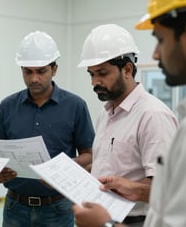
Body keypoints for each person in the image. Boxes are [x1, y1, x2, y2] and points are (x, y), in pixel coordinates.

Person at [73, 0, 186, 226]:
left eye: (160, 39)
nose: (155, 54)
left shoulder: (158, 116)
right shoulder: (105, 114)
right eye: (91, 74)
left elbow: (175, 207)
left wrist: (106, 224)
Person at [0, 30, 95, 227]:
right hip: (15, 207)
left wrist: (61, 170)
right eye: (28, 71)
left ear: (54, 69)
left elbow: (89, 155)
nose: (34, 79)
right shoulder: (7, 106)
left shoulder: (75, 106)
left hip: (58, 208)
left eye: (41, 71)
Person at [76, 23, 178, 227]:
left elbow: (168, 189)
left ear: (128, 70)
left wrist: (132, 188)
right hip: (99, 219)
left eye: (102, 73)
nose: (95, 82)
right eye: (91, 74)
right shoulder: (106, 114)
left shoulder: (153, 116)